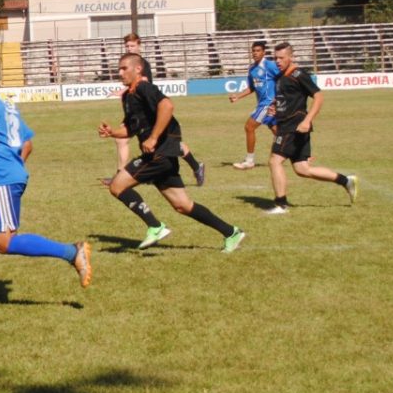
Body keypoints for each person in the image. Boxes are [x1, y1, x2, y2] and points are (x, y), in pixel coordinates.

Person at [0, 50, 92, 312]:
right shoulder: (5, 100)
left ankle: (73, 252)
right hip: (1, 177)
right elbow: (27, 143)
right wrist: (14, 167)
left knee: (3, 243)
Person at [98, 53, 246, 252]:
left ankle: (155, 226)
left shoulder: (144, 88)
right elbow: (132, 129)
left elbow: (167, 106)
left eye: (124, 68)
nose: (120, 72)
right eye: (119, 68)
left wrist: (153, 138)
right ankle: (231, 232)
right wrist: (113, 132)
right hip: (161, 156)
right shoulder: (128, 96)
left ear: (138, 69)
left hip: (160, 153)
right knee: (183, 205)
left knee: (117, 185)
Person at [102, 32, 206, 187]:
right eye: (127, 46)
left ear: (139, 45)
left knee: (170, 144)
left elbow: (144, 84)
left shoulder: (142, 65)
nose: (129, 48)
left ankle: (196, 166)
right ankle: (122, 173)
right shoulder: (128, 70)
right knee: (123, 138)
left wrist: (124, 91)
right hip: (137, 110)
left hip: (147, 110)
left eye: (132, 45)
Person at [266, 42, 357, 214]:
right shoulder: (280, 77)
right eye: (275, 58)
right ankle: (346, 181)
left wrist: (307, 120)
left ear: (291, 57)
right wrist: (276, 107)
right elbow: (288, 99)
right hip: (288, 124)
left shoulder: (299, 74)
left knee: (274, 161)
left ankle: (280, 204)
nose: (277, 61)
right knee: (302, 169)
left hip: (294, 125)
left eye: (281, 58)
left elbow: (318, 96)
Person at [228, 40, 280, 169]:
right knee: (278, 132)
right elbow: (251, 88)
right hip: (262, 104)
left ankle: (249, 161)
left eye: (258, 51)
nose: (255, 53)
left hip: (268, 104)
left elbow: (282, 78)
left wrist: (278, 98)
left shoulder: (270, 65)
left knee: (249, 127)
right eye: (253, 51)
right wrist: (238, 96)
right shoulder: (252, 69)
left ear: (264, 52)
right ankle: (299, 153)